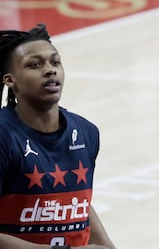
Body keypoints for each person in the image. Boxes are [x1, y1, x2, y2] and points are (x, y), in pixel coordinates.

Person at [0, 24, 116, 249]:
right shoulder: (4, 137)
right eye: (35, 65)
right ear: (10, 81)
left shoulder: (86, 132)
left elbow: (74, 202)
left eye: (55, 62)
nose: (50, 70)